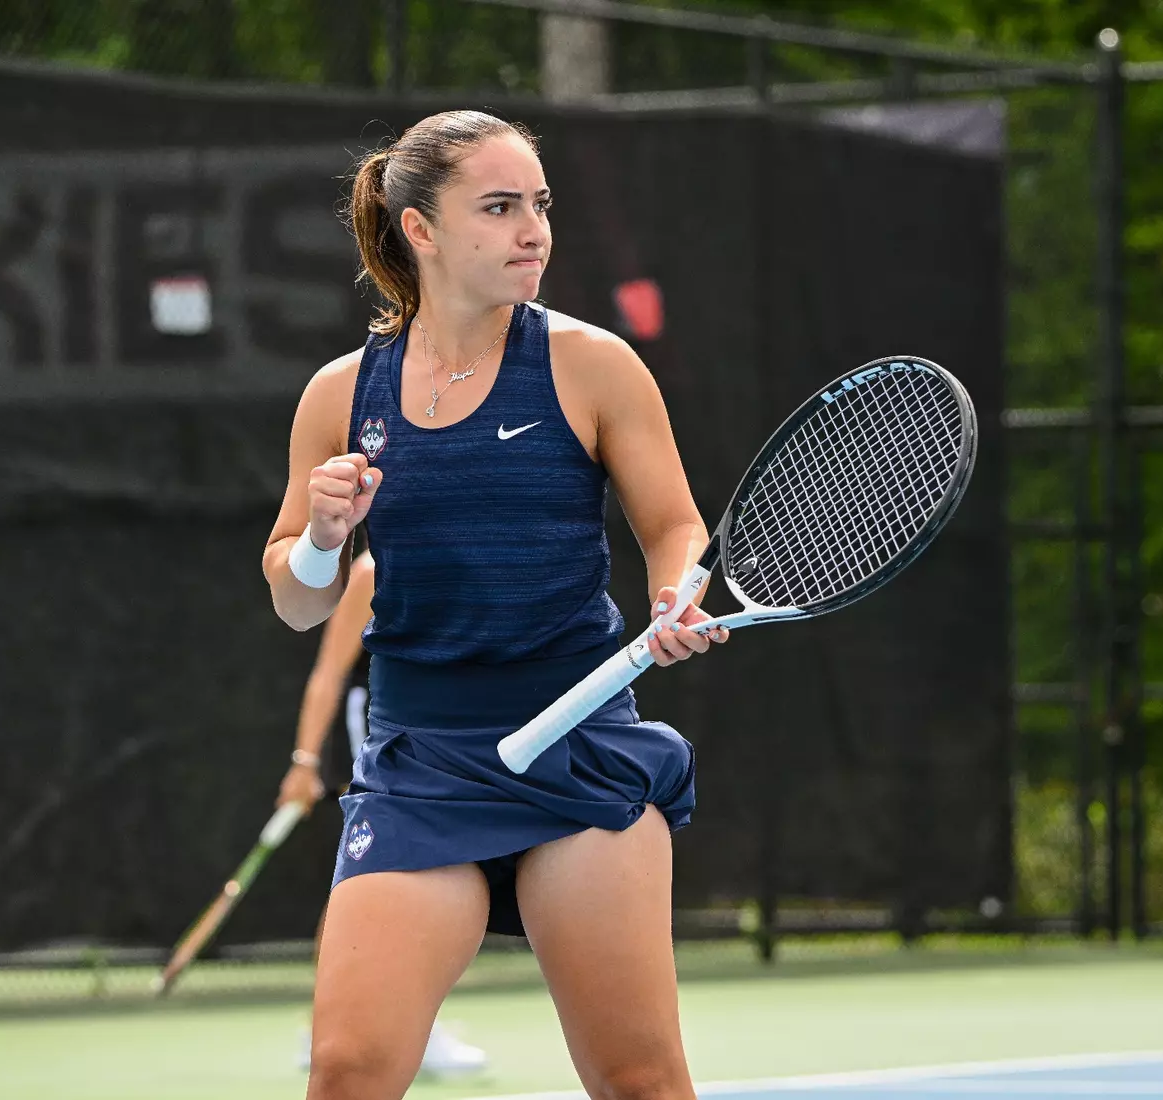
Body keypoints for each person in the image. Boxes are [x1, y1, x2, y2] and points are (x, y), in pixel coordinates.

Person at [261, 110, 728, 1100]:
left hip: (580, 745)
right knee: (346, 1071)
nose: (534, 231)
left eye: (541, 206)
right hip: (422, 766)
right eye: (501, 207)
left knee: (640, 1078)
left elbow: (677, 528)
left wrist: (673, 595)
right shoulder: (340, 394)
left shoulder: (593, 365)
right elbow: (298, 604)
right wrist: (321, 538)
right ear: (420, 229)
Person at [277, 547, 487, 1078]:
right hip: (382, 731)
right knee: (387, 872)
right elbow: (328, 673)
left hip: (443, 730)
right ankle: (342, 1025)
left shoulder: (467, 559)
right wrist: (304, 763)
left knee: (412, 874)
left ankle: (377, 1022)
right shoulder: (373, 572)